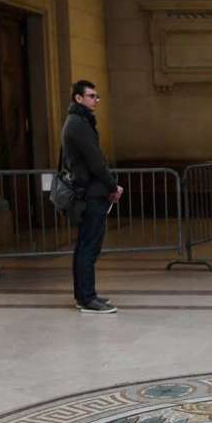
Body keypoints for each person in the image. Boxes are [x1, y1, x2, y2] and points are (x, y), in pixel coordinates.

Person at [64, 80, 122, 314]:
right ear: (78, 98)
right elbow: (95, 161)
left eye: (97, 96)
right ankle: (88, 299)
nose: (95, 100)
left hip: (89, 191)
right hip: (91, 193)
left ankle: (84, 295)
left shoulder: (79, 121)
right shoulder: (78, 124)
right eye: (91, 96)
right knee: (89, 248)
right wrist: (113, 186)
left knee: (86, 247)